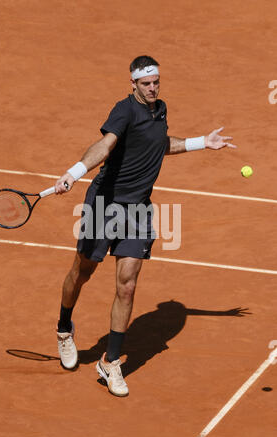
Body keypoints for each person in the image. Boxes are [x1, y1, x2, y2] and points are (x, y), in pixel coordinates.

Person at [54, 55, 236, 397]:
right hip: (104, 205)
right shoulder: (123, 111)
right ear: (133, 84)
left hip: (137, 210)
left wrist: (201, 142)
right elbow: (105, 145)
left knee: (127, 285)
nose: (152, 88)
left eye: (156, 82)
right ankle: (64, 328)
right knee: (83, 271)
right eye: (146, 83)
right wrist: (75, 172)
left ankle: (110, 363)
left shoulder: (159, 109)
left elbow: (158, 145)